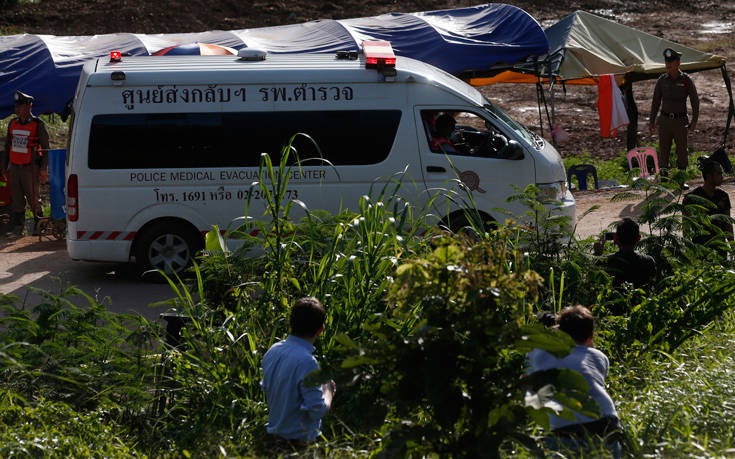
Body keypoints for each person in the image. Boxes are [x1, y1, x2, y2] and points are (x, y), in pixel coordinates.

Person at [527, 305, 621, 457]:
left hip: (564, 429)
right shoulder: (599, 357)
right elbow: (586, 352)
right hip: (606, 423)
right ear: (590, 336)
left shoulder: (537, 354)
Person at [261, 297, 336, 448]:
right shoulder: (307, 362)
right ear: (320, 330)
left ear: (290, 324)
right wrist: (328, 391)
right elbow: (317, 410)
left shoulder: (273, 350)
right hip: (297, 443)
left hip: (272, 439)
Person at [2, 90, 50, 236]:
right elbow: (7, 146)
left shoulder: (38, 124)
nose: (17, 109)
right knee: (16, 199)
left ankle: (39, 225)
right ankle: (18, 228)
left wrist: (43, 169)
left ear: (29, 107)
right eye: (16, 106)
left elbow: (46, 148)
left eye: (20, 106)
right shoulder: (12, 123)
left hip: (31, 168)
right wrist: (4, 167)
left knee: (34, 198)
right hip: (15, 168)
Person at [648, 48, 699, 180]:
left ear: (678, 63)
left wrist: (694, 121)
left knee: (682, 151)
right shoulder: (662, 80)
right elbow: (655, 102)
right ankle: (664, 180)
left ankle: (681, 180)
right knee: (664, 151)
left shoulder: (686, 80)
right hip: (665, 121)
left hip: (680, 121)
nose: (668, 64)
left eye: (671, 61)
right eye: (666, 61)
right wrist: (652, 121)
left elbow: (695, 101)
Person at [683, 158, 733, 246]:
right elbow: (686, 228)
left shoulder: (723, 196)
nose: (722, 177)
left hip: (720, 249)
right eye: (719, 173)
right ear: (709, 176)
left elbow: (728, 225)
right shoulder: (691, 198)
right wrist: (689, 252)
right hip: (700, 249)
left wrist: (732, 248)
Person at [596, 218, 656, 289]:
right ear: (639, 238)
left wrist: (597, 254)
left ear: (615, 238)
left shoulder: (604, 262)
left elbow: (592, 281)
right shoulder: (648, 262)